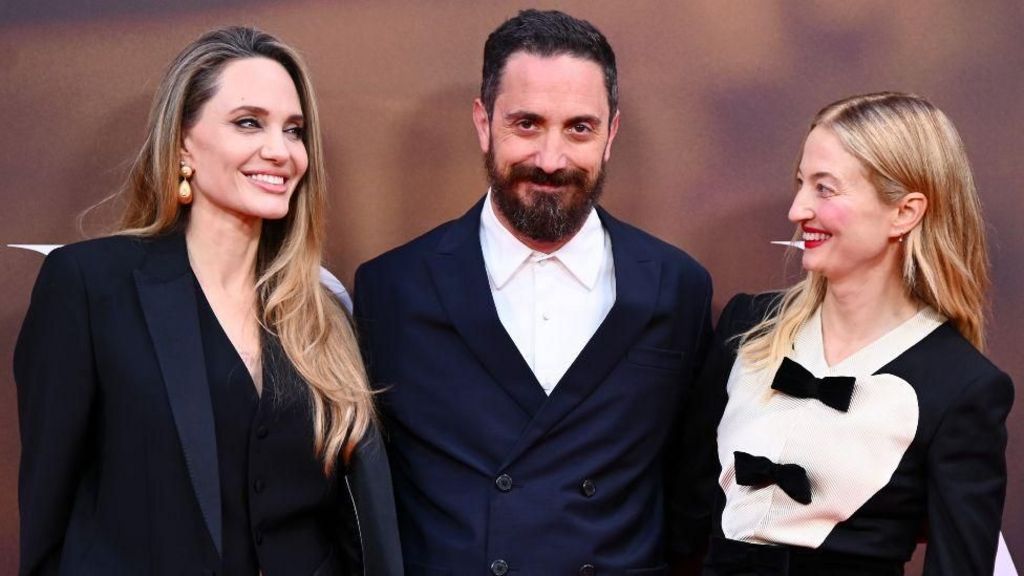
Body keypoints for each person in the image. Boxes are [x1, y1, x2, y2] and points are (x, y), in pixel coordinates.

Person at [14, 26, 402, 576]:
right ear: (182, 143)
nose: (280, 150)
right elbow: (48, 513)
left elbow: (348, 523)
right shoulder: (89, 286)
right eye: (249, 122)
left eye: (294, 131)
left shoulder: (321, 313)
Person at [353, 9, 713, 575]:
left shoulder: (678, 288)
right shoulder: (391, 290)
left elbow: (691, 496)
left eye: (579, 128)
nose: (551, 159)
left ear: (611, 133)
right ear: (482, 122)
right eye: (526, 124)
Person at [683, 92, 1014, 575]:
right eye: (801, 184)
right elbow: (683, 518)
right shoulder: (747, 327)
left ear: (905, 212)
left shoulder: (963, 386)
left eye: (825, 188)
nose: (797, 209)